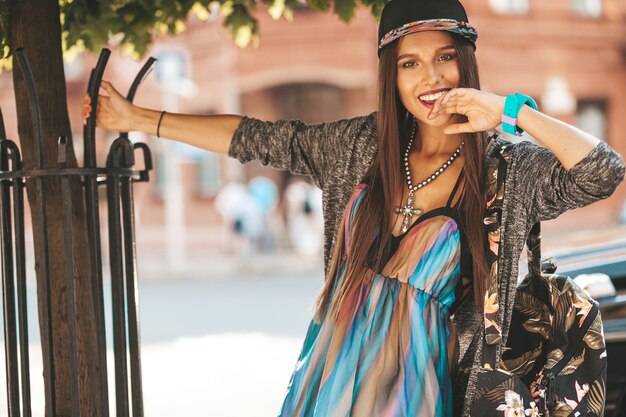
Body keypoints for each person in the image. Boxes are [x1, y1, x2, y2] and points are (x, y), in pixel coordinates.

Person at [83, 0, 625, 415]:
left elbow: (603, 172)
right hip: (329, 372)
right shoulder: (360, 147)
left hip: (422, 387)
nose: (430, 79)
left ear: (466, 62)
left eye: (444, 58)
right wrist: (137, 119)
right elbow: (257, 138)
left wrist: (511, 111)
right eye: (409, 63)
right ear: (391, 75)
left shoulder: (508, 168)